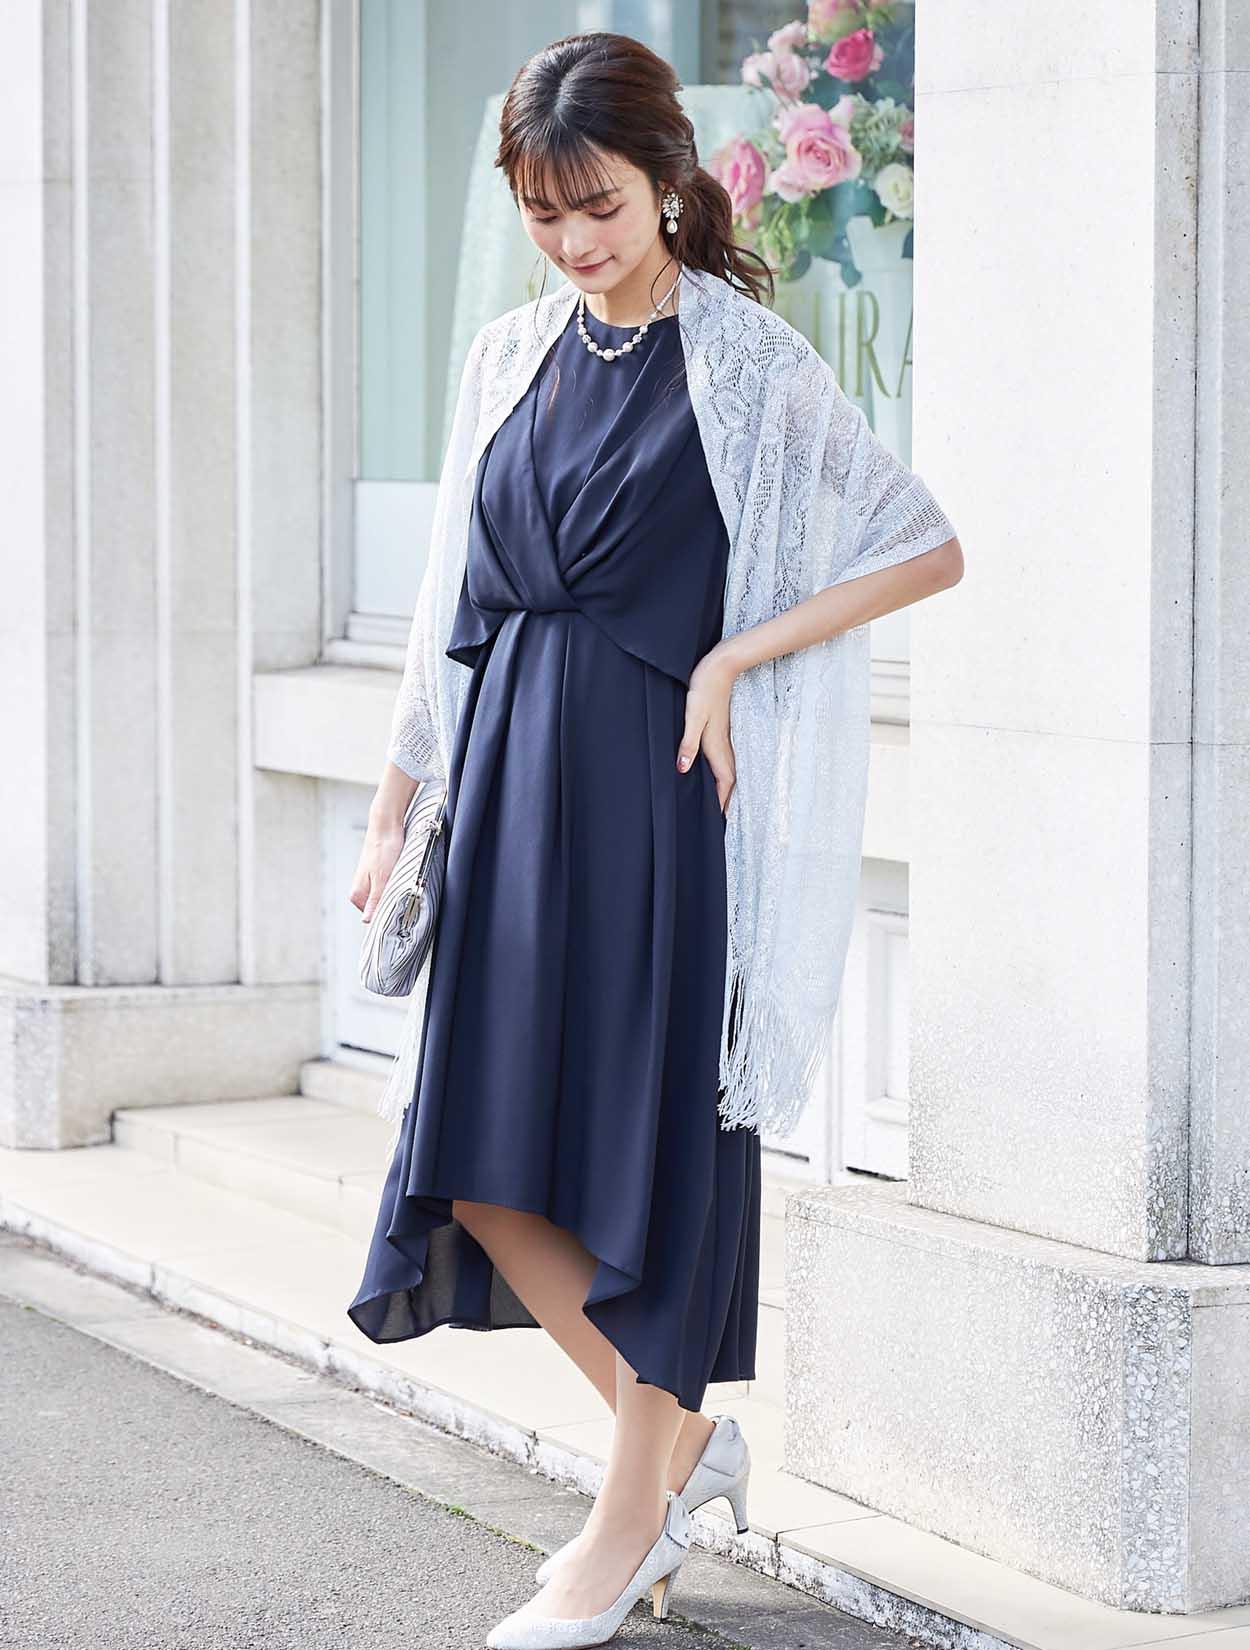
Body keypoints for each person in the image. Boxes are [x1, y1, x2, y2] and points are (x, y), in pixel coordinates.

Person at [345, 32, 962, 1650]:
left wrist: (733, 657)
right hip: (507, 787)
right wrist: (397, 800)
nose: (574, 240)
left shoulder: (747, 364)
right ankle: (679, 1448)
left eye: (600, 206)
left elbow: (921, 544)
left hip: (657, 803)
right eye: (544, 213)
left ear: (669, 179)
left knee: (644, 1149)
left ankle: (626, 1522)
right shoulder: (506, 355)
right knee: (477, 1163)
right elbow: (445, 598)